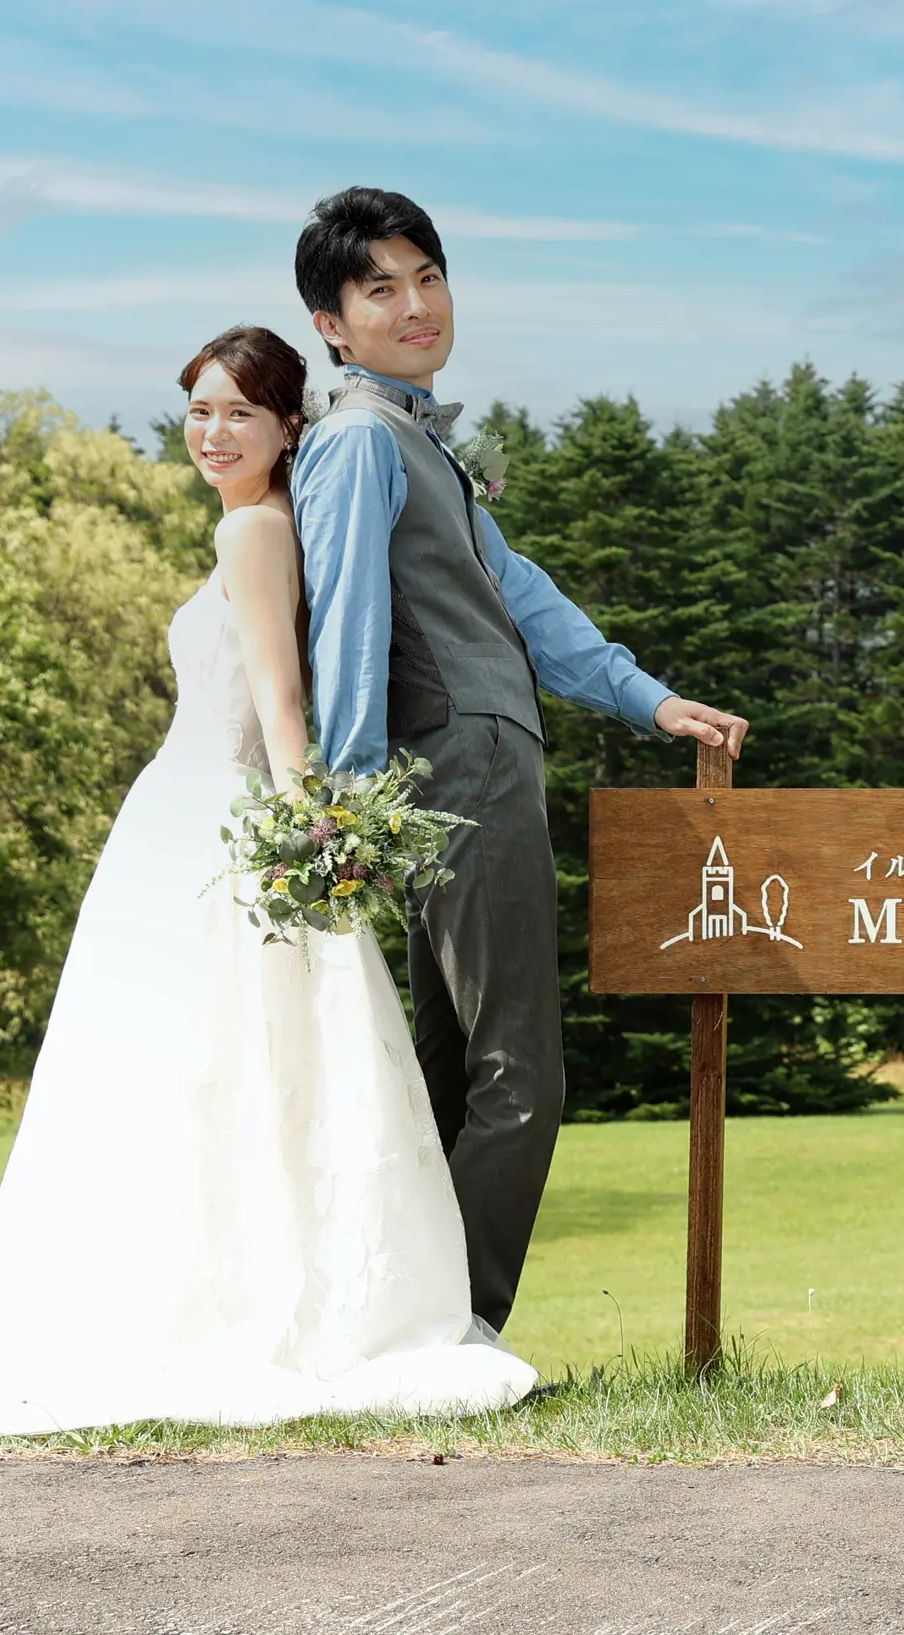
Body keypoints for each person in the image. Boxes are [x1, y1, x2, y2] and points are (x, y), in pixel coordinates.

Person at [0, 328, 535, 1435]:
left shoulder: (258, 536)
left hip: (223, 820)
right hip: (184, 819)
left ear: (287, 426)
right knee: (197, 1073)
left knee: (218, 1066)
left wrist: (316, 826)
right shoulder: (251, 528)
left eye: (239, 413)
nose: (213, 434)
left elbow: (281, 704)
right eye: (197, 413)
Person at [291, 187, 747, 1337]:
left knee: (451, 1074)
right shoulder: (357, 439)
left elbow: (522, 591)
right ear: (330, 323)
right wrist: (343, 796)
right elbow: (345, 622)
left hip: (464, 768)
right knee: (519, 1073)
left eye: (428, 276)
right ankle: (457, 1327)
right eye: (380, 287)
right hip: (457, 767)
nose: (416, 304)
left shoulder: (412, 438)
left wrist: (647, 699)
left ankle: (410, 1324)